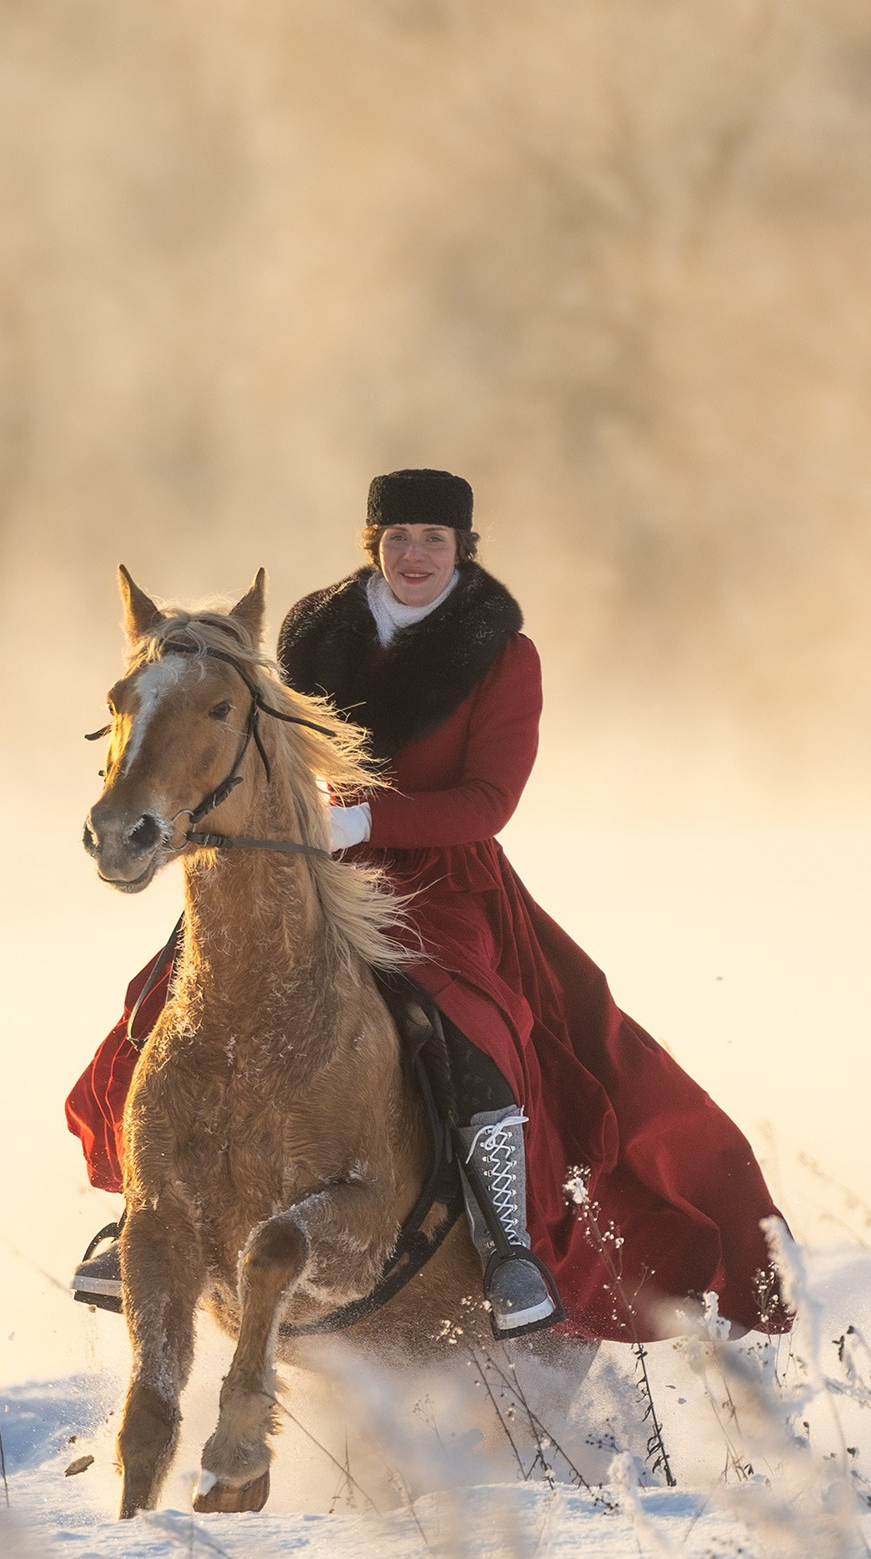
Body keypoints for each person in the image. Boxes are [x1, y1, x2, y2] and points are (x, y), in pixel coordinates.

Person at [65, 469, 790, 1341]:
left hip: (440, 880)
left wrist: (368, 818)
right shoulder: (310, 630)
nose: (414, 554)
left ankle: (507, 1244)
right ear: (374, 544)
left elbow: (489, 802)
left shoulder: (503, 655)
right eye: (398, 538)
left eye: (433, 540)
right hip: (304, 861)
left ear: (461, 549)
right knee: (162, 995)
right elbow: (250, 750)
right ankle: (141, 1215)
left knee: (475, 1024)